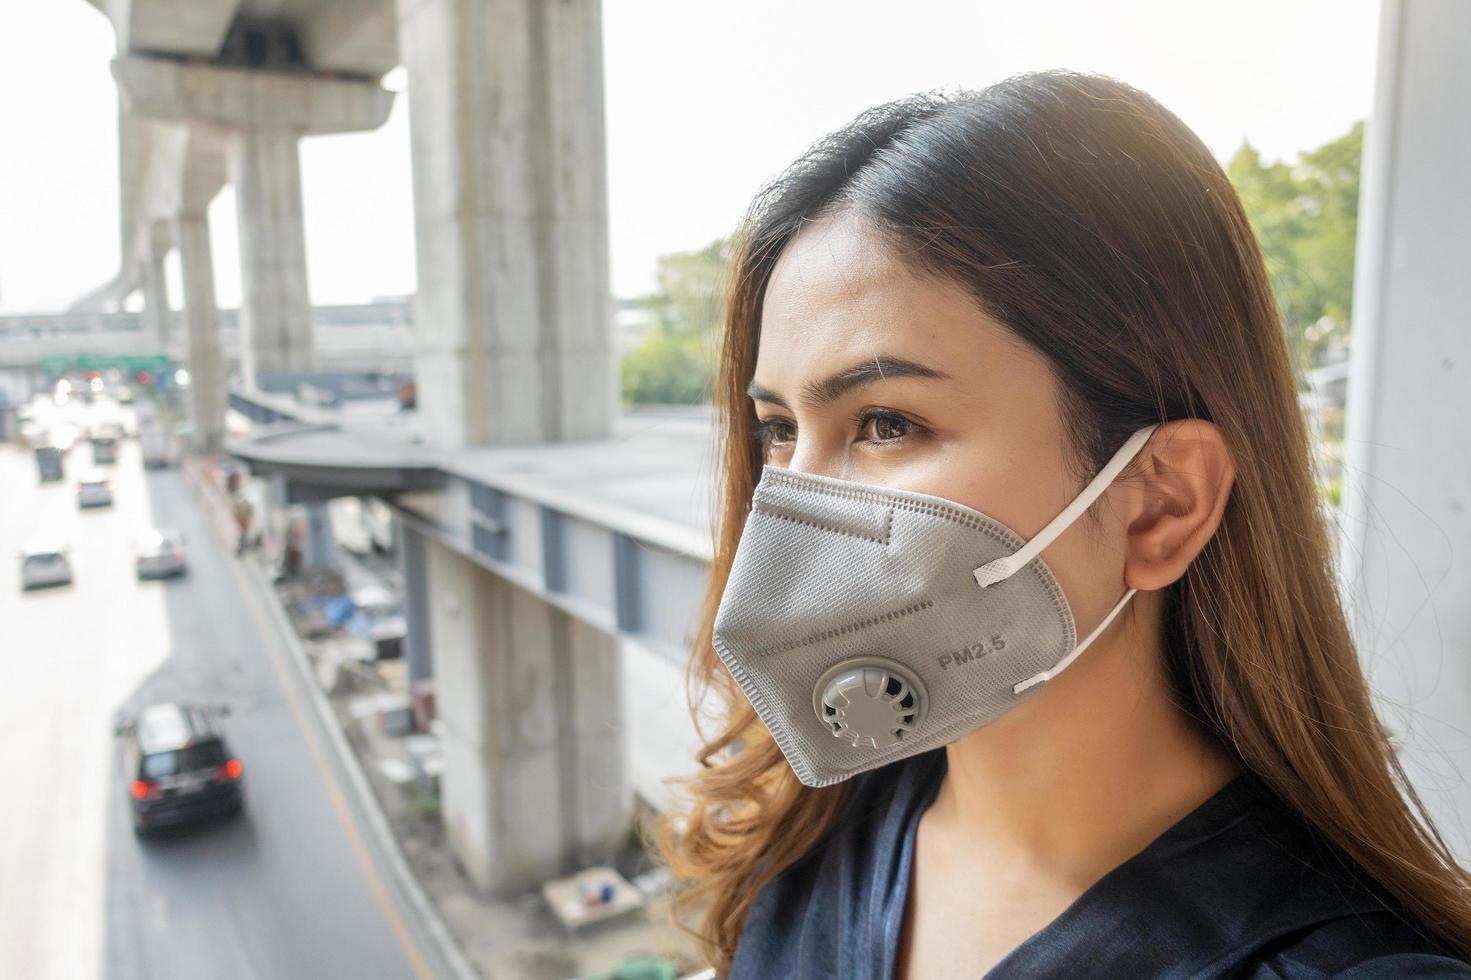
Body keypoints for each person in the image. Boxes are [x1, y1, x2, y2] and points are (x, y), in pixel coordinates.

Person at [658, 72, 1471, 979]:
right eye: (778, 430)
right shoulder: (816, 825)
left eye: (887, 423)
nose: (788, 514)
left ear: (1161, 503)